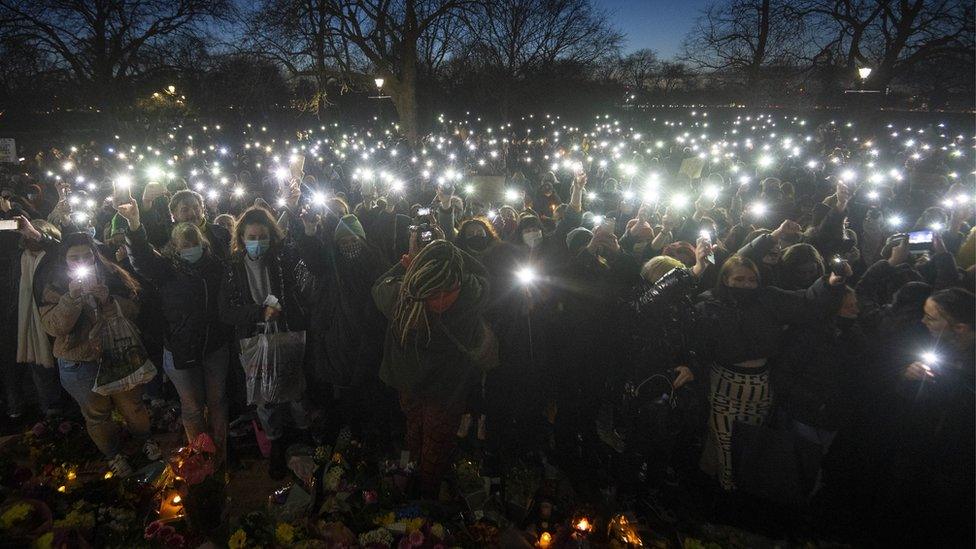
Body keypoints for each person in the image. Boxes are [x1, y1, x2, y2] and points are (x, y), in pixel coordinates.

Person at [694, 254, 850, 490]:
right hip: (725, 384)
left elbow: (806, 302)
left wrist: (829, 283)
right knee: (723, 439)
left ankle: (741, 489)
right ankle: (722, 490)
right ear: (725, 280)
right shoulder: (709, 305)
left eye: (752, 280)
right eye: (740, 279)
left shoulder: (768, 298)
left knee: (749, 440)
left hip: (760, 385)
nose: (747, 285)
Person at [372, 239, 489, 498]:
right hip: (447, 389)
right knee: (438, 441)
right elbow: (482, 272)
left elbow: (379, 285)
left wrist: (410, 263)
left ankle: (407, 479)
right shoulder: (470, 294)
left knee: (413, 429)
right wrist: (446, 245)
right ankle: (428, 494)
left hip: (409, 383)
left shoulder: (402, 297)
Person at [37, 232, 159, 477]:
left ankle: (145, 440)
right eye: (74, 258)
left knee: (133, 406)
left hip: (118, 353)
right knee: (97, 414)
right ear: (65, 261)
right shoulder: (55, 286)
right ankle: (113, 454)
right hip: (79, 362)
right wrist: (71, 299)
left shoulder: (113, 275)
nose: (81, 262)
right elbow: (54, 327)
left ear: (95, 255)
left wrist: (108, 300)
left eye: (86, 256)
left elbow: (135, 309)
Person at [117, 200, 231, 461]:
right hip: (179, 349)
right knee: (191, 407)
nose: (190, 249)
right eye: (184, 245)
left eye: (195, 244)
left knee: (218, 401)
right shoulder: (167, 269)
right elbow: (143, 258)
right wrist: (134, 224)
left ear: (204, 244)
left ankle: (221, 454)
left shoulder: (216, 267)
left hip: (215, 346)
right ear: (175, 248)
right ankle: (200, 456)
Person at [218, 206, 314, 479]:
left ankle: (303, 436)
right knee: (265, 397)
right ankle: (276, 443)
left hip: (284, 332)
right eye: (252, 236)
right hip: (253, 339)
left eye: (263, 236)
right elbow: (225, 310)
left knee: (296, 389)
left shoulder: (281, 260)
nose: (257, 242)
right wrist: (258, 312)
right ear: (241, 237)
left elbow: (301, 279)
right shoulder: (233, 267)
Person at [1, 217, 64, 421]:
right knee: (41, 372)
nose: (28, 238)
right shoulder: (16, 258)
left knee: (64, 368)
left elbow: (58, 249)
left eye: (34, 234)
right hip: (26, 325)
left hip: (55, 320)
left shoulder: (56, 258)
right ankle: (53, 415)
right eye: (25, 234)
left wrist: (36, 233)